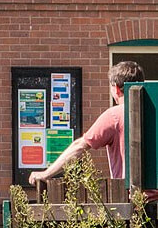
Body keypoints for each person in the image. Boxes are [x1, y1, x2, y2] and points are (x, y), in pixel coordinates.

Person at [29, 61, 148, 195]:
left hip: (133, 201)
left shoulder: (115, 115)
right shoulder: (153, 113)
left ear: (116, 88)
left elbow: (80, 146)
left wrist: (46, 173)